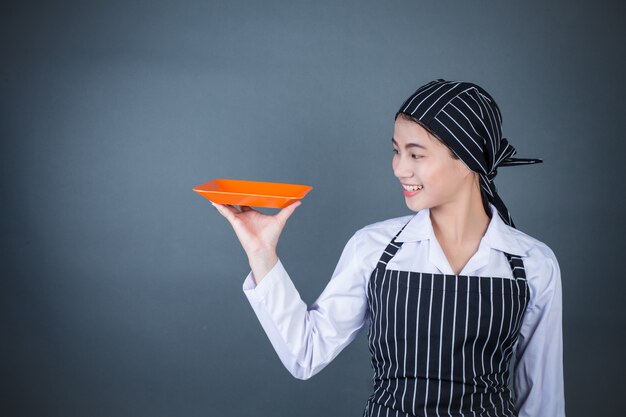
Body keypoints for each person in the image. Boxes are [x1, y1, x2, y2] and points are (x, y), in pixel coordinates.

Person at [212, 79, 565, 417]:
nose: (398, 168)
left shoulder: (532, 263)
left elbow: (542, 401)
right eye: (396, 151)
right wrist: (261, 252)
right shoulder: (374, 248)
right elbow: (306, 353)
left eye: (416, 154)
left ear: (467, 158)